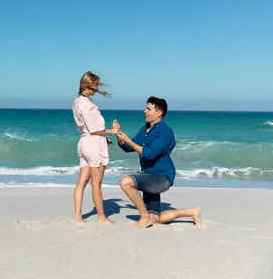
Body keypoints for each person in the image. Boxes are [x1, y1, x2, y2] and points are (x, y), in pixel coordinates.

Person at [116, 96, 201, 228]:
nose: (145, 111)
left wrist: (128, 140)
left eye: (148, 109)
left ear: (159, 113)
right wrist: (120, 136)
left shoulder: (165, 132)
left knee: (125, 182)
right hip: (148, 176)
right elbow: (128, 147)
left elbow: (150, 154)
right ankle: (191, 212)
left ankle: (144, 218)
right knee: (155, 219)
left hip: (161, 178)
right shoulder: (145, 129)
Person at [72, 71, 119, 225]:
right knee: (96, 183)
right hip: (92, 144)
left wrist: (103, 137)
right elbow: (93, 129)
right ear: (89, 85)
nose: (97, 88)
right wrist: (111, 132)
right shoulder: (87, 104)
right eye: (96, 85)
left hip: (84, 142)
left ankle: (78, 216)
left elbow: (87, 129)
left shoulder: (76, 102)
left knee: (82, 182)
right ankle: (101, 217)